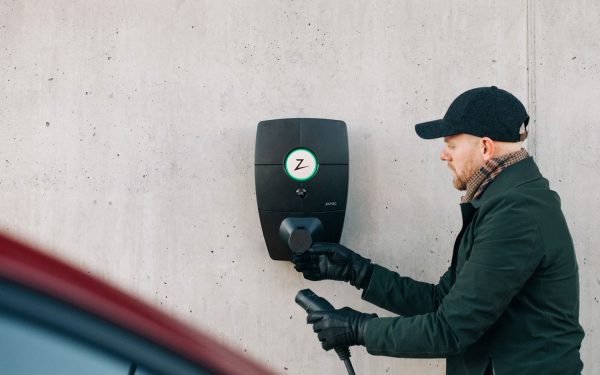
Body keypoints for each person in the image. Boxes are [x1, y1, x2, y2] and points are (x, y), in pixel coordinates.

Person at [292, 86, 584, 374]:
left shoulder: (516, 214)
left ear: (485, 147)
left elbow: (450, 330)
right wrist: (359, 272)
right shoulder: (501, 202)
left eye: (452, 145)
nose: (444, 155)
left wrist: (358, 329)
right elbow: (442, 303)